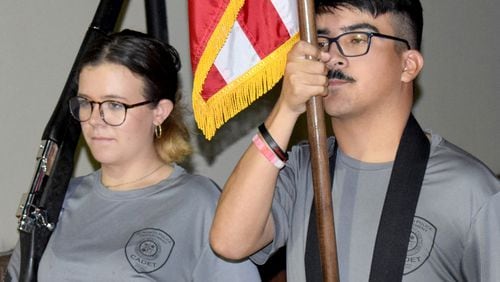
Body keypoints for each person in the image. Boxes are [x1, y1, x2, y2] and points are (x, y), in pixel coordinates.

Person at [210, 1, 500, 281]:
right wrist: (287, 108)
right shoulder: (302, 171)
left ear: (408, 65)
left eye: (357, 39)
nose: (332, 57)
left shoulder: (468, 188)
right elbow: (229, 243)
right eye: (322, 42)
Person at [6, 30, 260, 281]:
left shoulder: (199, 204)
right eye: (86, 103)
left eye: (114, 105)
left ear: (159, 112)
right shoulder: (58, 198)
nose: (95, 119)